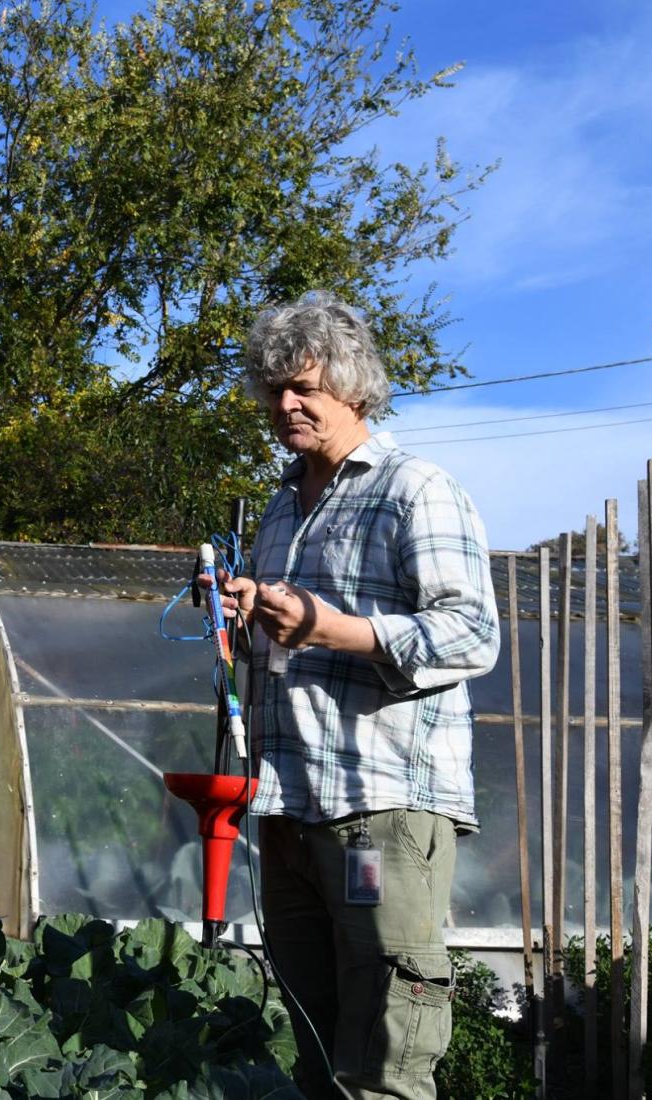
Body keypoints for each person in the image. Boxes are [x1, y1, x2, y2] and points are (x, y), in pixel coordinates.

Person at [209, 292, 498, 1100]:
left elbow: (475, 634)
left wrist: (340, 629)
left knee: (386, 1058)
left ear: (354, 387)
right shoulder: (279, 506)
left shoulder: (415, 489)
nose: (285, 404)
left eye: (303, 387)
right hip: (292, 811)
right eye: (272, 390)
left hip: (384, 807)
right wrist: (249, 612)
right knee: (316, 1053)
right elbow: (290, 637)